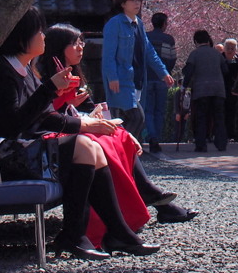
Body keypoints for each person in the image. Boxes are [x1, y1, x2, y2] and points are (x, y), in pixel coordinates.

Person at [0, 8, 159, 259]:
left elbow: (46, 116)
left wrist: (86, 125)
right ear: (21, 36)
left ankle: (107, 233)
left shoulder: (23, 70)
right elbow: (12, 125)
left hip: (15, 148)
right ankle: (86, 235)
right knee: (84, 147)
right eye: (38, 31)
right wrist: (50, 90)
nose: (44, 36)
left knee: (92, 148)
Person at [38, 23, 197, 232]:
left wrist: (90, 113)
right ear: (58, 46)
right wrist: (72, 108)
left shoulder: (72, 74)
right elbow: (47, 115)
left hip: (73, 127)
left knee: (119, 135)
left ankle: (151, 200)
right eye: (74, 44)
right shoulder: (45, 76)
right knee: (110, 138)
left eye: (81, 43)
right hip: (56, 134)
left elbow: (85, 108)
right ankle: (149, 199)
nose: (80, 48)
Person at [102, 0, 175, 137]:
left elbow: (149, 51)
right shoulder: (115, 24)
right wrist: (112, 76)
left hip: (138, 79)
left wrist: (163, 73)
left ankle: (127, 154)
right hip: (122, 80)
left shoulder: (139, 24)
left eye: (139, 0)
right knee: (137, 118)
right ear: (123, 3)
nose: (137, 3)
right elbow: (108, 54)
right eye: (132, 0)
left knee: (128, 121)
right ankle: (122, 152)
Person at [182, 30, 229, 152]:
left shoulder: (194, 54)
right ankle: (221, 143)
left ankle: (201, 144)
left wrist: (185, 85)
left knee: (201, 117)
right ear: (208, 40)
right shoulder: (217, 53)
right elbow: (225, 70)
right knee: (219, 116)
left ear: (196, 41)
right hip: (218, 89)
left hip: (201, 90)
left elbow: (189, 71)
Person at [144, 12, 177, 153]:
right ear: (164, 24)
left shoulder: (145, 37)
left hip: (147, 78)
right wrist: (166, 73)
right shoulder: (169, 39)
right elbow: (172, 59)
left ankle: (152, 136)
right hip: (162, 79)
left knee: (148, 110)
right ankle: (156, 137)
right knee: (160, 111)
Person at [221, 38, 238, 141]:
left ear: (236, 49)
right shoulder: (220, 59)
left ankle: (231, 134)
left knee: (232, 113)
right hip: (221, 89)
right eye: (228, 48)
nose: (230, 50)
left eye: (232, 48)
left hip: (234, 90)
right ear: (224, 48)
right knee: (221, 112)